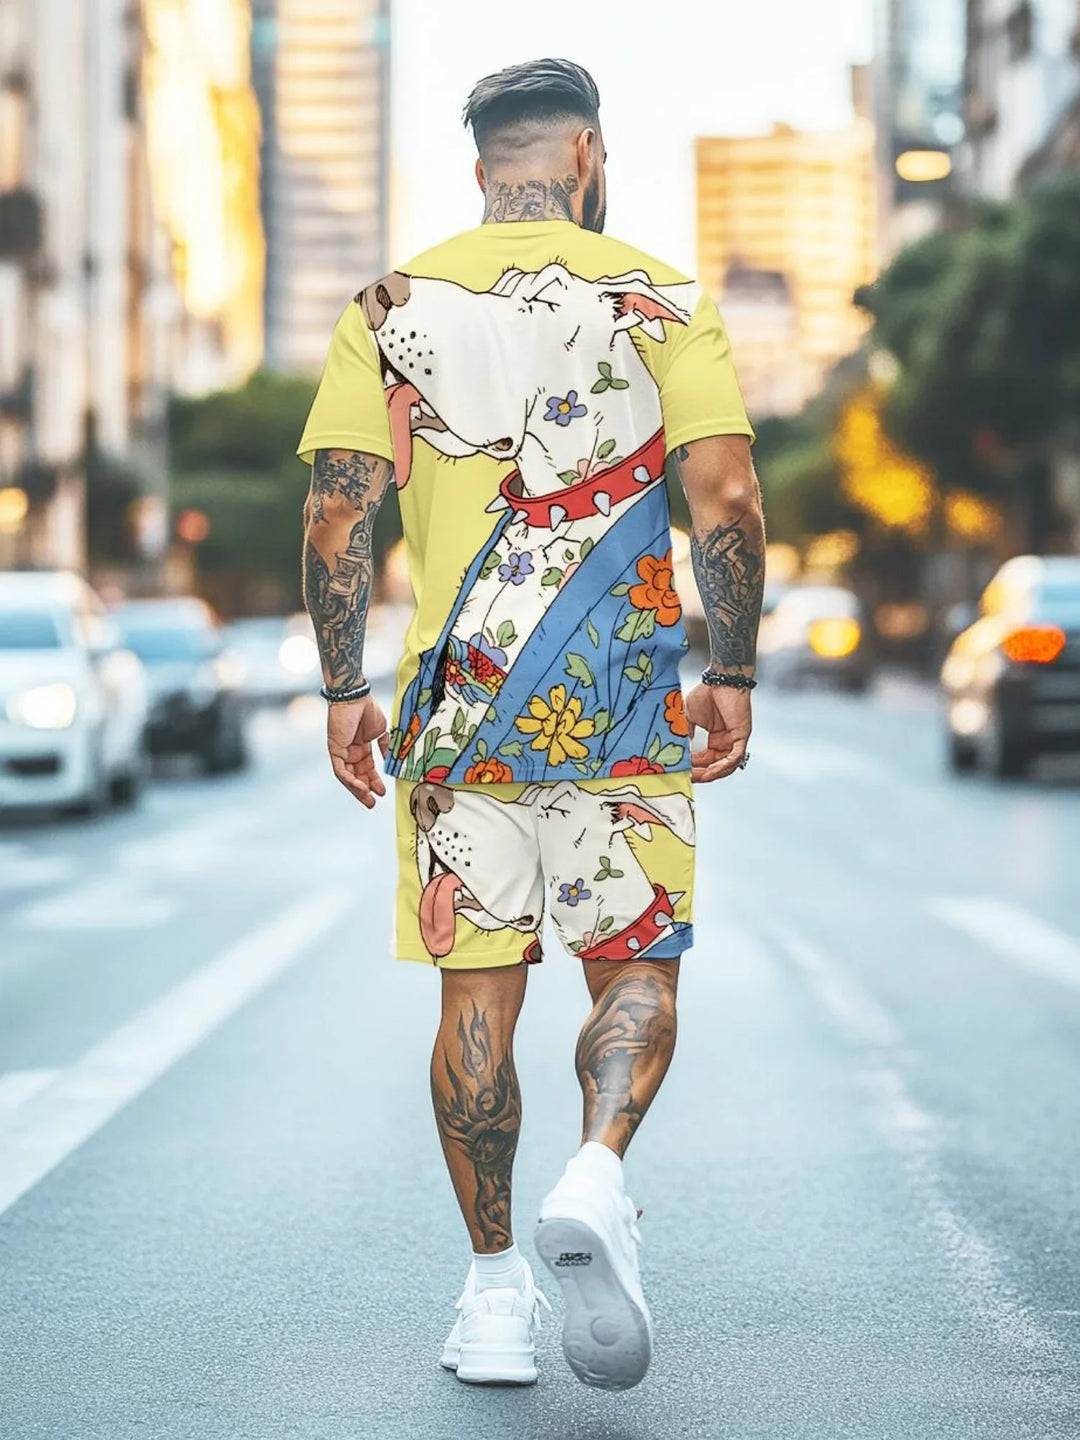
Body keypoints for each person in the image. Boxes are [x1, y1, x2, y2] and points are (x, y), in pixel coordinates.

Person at [297, 57, 764, 1392]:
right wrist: (730, 668)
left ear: (482, 169)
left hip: (458, 714)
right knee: (635, 970)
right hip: (622, 706)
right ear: (588, 155)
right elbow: (726, 494)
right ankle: (598, 1172)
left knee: (475, 998)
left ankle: (495, 1293)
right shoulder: (663, 298)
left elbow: (338, 509)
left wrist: (343, 687)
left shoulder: (389, 305)